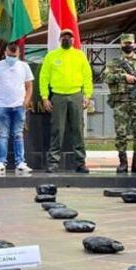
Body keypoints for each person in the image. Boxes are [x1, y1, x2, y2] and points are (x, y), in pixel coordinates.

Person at [38, 29, 92, 173]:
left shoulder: (80, 56)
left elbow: (87, 76)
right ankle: (53, 163)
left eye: (69, 37)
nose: (67, 39)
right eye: (64, 37)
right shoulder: (51, 56)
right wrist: (44, 97)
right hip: (58, 96)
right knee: (57, 130)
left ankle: (80, 163)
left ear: (74, 40)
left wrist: (87, 95)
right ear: (60, 39)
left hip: (76, 95)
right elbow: (44, 78)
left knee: (78, 130)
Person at [104, 33, 136, 173]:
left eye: (130, 43)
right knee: (121, 134)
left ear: (134, 44)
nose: (128, 46)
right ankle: (123, 163)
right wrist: (124, 76)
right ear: (121, 45)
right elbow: (106, 77)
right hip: (121, 102)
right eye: (125, 43)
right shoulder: (115, 62)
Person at [0, 42, 33, 174]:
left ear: (18, 54)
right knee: (2, 135)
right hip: (2, 105)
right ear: (5, 53)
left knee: (18, 135)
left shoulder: (24, 66)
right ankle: (1, 162)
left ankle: (20, 162)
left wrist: (26, 101)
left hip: (19, 105)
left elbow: (29, 86)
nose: (11, 57)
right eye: (9, 55)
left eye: (14, 55)